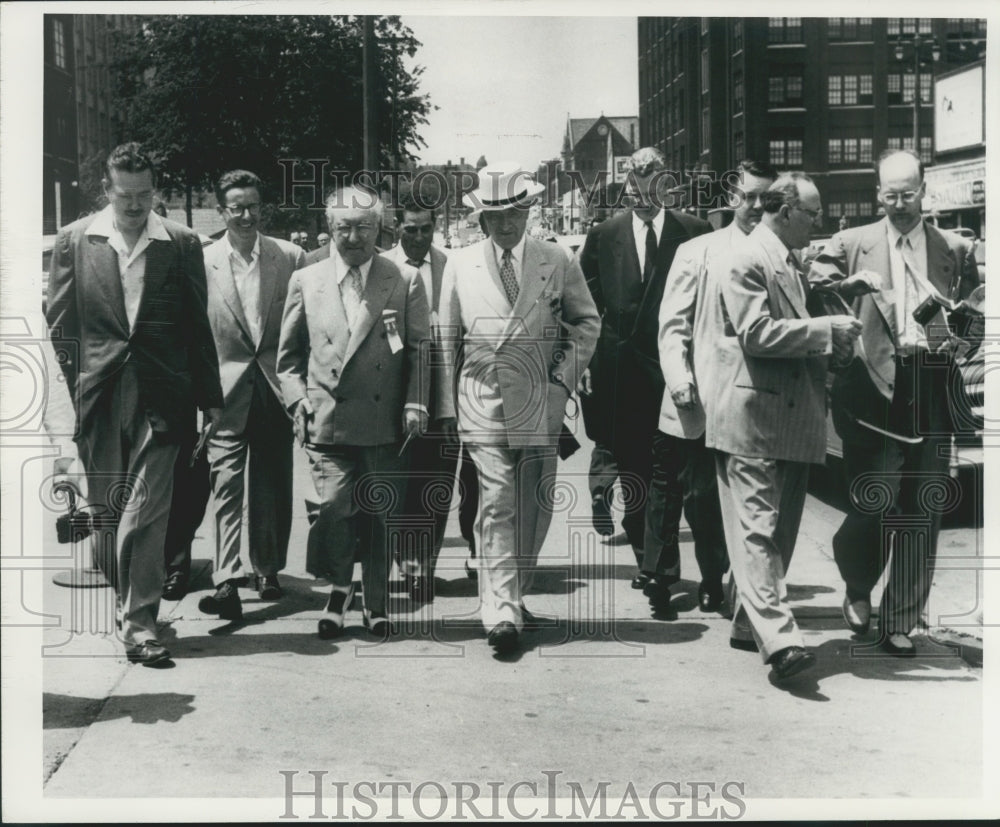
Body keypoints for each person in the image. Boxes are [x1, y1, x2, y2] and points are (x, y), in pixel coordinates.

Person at [45, 142, 223, 665]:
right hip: (98, 396)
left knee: (145, 513)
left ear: (155, 192)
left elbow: (197, 326)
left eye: (145, 195)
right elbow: (60, 329)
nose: (135, 205)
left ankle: (140, 625)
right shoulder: (75, 241)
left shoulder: (181, 243)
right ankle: (130, 605)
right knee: (106, 516)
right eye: (126, 195)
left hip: (164, 395)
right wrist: (69, 400)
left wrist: (210, 400)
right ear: (107, 189)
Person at [808, 149, 981, 657]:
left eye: (908, 193)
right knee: (875, 500)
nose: (900, 203)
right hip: (873, 389)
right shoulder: (850, 243)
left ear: (924, 191)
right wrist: (846, 283)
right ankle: (859, 584)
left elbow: (975, 312)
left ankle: (902, 617)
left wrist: (962, 336)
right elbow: (811, 286)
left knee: (923, 507)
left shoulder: (954, 246)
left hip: (931, 383)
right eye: (890, 194)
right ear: (876, 193)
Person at [437, 161, 600, 655]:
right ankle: (501, 611)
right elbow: (446, 338)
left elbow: (586, 323)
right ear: (480, 219)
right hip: (481, 395)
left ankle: (514, 593)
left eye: (515, 213)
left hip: (539, 395)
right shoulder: (459, 264)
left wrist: (561, 382)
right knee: (497, 500)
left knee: (534, 502)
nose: (506, 224)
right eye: (495, 216)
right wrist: (447, 405)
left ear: (529, 211)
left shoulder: (556, 259)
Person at [705, 172, 862, 681]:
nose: (820, 224)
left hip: (792, 420)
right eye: (813, 215)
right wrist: (826, 330)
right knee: (757, 535)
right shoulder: (747, 258)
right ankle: (781, 642)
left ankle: (747, 623)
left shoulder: (790, 260)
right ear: (785, 210)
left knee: (779, 532)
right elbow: (756, 333)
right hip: (751, 419)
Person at [276, 185, 430, 639]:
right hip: (327, 418)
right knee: (333, 508)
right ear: (329, 229)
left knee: (381, 513)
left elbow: (420, 348)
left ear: (380, 228)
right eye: (344, 227)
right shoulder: (307, 278)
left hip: (385, 422)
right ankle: (341, 588)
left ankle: (377, 602)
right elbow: (287, 358)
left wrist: (416, 401)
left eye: (365, 227)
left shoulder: (402, 278)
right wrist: (295, 397)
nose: (355, 236)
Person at [579, 146, 711, 611]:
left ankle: (675, 568)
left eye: (651, 187)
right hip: (622, 376)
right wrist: (586, 366)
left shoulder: (694, 233)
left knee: (683, 476)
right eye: (633, 188)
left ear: (667, 186)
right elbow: (583, 307)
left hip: (679, 371)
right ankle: (651, 564)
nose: (641, 196)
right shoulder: (602, 236)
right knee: (636, 471)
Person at [656, 159, 778, 614]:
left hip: (764, 403)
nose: (756, 207)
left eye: (767, 199)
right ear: (732, 199)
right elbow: (672, 324)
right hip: (707, 399)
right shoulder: (698, 251)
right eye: (747, 196)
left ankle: (751, 589)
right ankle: (713, 574)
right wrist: (680, 379)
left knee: (760, 503)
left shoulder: (783, 255)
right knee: (703, 496)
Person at [197, 170, 306, 621]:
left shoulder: (290, 257)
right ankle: (226, 579)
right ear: (222, 212)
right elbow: (195, 333)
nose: (245, 215)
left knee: (272, 483)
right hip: (223, 391)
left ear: (263, 208)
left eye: (253, 206)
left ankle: (267, 568)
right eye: (236, 207)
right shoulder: (202, 261)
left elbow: (303, 328)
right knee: (225, 484)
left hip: (275, 387)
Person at [388, 188, 477, 603]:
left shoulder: (452, 266)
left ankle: (425, 565)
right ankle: (403, 561)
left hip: (444, 399)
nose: (418, 237)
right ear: (396, 227)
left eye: (426, 229)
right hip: (394, 400)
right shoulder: (381, 266)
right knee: (399, 486)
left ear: (435, 228)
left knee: (436, 484)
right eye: (410, 230)